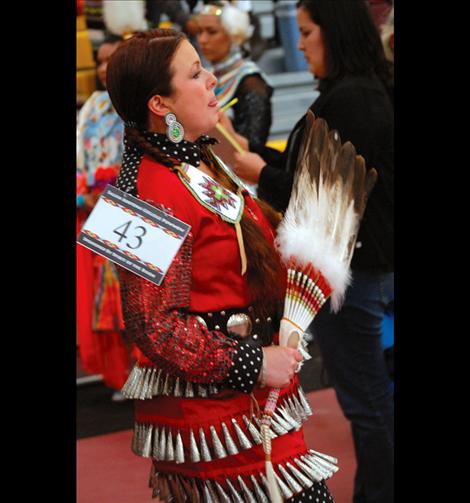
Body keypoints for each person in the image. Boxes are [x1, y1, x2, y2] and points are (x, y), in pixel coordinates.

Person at [106, 28, 338, 502]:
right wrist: (253, 362)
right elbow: (151, 326)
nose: (212, 79)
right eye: (195, 74)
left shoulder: (198, 161)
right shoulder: (140, 193)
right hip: (214, 416)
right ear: (160, 104)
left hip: (244, 405)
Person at [232, 1, 394, 502]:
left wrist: (260, 173)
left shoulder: (353, 99)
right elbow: (318, 170)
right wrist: (263, 160)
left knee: (370, 406)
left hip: (355, 272)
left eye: (306, 33)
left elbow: (329, 197)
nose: (298, 44)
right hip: (363, 270)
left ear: (335, 31)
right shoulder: (359, 91)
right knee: (374, 401)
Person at [76, 35, 131, 399]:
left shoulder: (139, 104)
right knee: (107, 297)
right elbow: (80, 154)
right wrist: (85, 191)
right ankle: (122, 372)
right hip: (94, 208)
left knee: (138, 293)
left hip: (132, 209)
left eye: (111, 58)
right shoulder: (92, 107)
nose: (102, 67)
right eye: (99, 60)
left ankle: (150, 367)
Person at [194, 1, 273, 156]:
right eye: (200, 31)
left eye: (211, 31)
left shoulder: (251, 81)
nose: (202, 39)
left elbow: (254, 146)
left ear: (234, 34)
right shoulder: (208, 74)